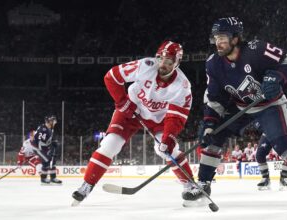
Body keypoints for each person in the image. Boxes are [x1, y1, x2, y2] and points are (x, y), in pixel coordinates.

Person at [191, 17, 287, 209]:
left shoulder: (257, 50)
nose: (218, 42)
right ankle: (204, 185)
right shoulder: (213, 63)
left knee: (284, 144)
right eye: (215, 38)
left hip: (270, 104)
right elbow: (214, 98)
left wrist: (278, 75)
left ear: (236, 38)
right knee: (212, 135)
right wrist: (209, 123)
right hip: (240, 106)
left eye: (222, 37)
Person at [72, 41, 195, 206]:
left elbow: (177, 116)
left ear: (177, 63)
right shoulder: (145, 66)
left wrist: (169, 137)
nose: (163, 64)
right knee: (110, 144)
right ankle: (87, 185)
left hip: (160, 119)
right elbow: (112, 76)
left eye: (169, 61)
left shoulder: (183, 85)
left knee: (167, 150)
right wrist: (122, 101)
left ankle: (189, 185)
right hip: (131, 110)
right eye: (161, 58)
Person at [31, 115, 62, 185]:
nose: (54, 122)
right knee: (47, 160)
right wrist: (49, 146)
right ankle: (43, 178)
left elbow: (47, 140)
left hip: (44, 147)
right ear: (48, 121)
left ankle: (53, 178)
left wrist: (53, 142)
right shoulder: (43, 130)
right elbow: (39, 142)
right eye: (52, 120)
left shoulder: (49, 128)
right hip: (38, 148)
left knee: (52, 159)